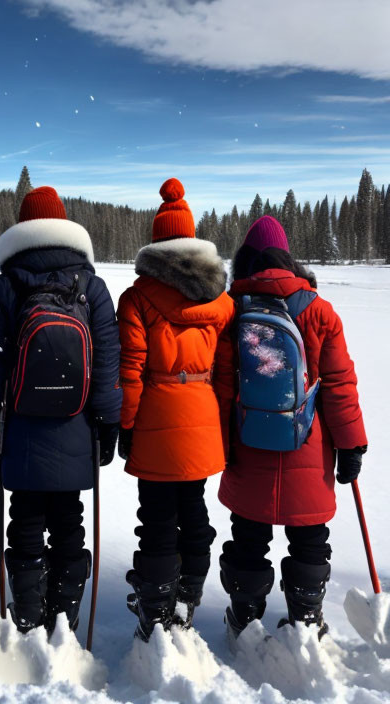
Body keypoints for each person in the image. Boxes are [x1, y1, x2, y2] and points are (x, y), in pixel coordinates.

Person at [0, 186, 122, 633]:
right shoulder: (91, 287)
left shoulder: (6, 287)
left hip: (21, 424)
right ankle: (65, 614)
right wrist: (109, 422)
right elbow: (107, 360)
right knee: (68, 519)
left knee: (26, 517)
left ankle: (27, 615)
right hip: (75, 423)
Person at [213, 216, 367, 640]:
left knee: (247, 535)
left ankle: (243, 620)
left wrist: (221, 445)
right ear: (288, 258)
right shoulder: (318, 310)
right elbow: (338, 385)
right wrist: (352, 444)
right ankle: (306, 621)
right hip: (308, 443)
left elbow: (223, 388)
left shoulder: (232, 310)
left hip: (248, 442)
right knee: (310, 536)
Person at [118, 178, 234, 640]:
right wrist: (218, 424)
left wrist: (126, 423)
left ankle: (155, 606)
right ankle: (187, 597)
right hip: (202, 415)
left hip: (155, 416)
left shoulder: (137, 297)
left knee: (157, 517)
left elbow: (130, 369)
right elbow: (226, 372)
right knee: (195, 510)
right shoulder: (221, 303)